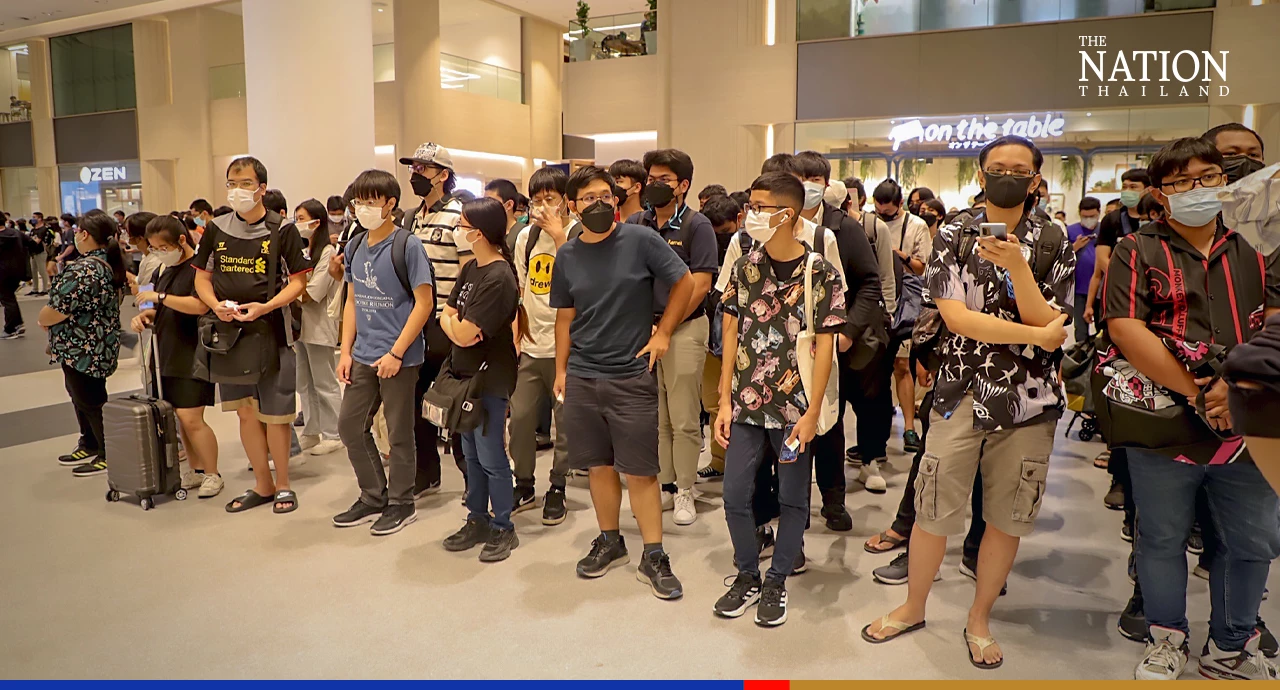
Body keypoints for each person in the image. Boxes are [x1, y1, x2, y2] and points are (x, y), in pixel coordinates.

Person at [861, 135, 1073, 671]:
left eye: (1019, 169)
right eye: (997, 167)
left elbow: (1055, 319)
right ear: (980, 176)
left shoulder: (1053, 238)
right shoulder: (953, 231)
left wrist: (1021, 269)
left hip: (1030, 403)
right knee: (934, 507)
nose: (1008, 175)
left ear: (1035, 179)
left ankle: (979, 618)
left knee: (1007, 515)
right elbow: (957, 319)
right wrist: (1034, 334)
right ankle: (913, 605)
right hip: (959, 392)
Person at [1106, 137, 1280, 681]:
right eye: (1181, 182)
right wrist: (1195, 389)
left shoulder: (1260, 245)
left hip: (1253, 417)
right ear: (1161, 193)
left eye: (1207, 177)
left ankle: (1232, 642)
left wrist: (1237, 385)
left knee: (1252, 539)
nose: (1196, 189)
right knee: (1160, 535)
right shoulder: (1137, 250)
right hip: (1165, 418)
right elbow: (1126, 326)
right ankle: (1166, 637)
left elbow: (1276, 315)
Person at [550, 165, 693, 598]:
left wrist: (664, 331)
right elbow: (565, 317)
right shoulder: (568, 254)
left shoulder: (641, 240)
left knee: (641, 471)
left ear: (616, 199)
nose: (599, 203)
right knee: (597, 464)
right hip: (582, 376)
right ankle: (610, 540)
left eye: (605, 196)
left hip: (631, 375)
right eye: (588, 198)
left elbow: (684, 282)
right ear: (573, 206)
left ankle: (654, 554)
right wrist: (561, 369)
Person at [712, 171, 847, 627]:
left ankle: (777, 580)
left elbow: (825, 344)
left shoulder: (820, 271)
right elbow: (731, 329)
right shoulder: (746, 264)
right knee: (734, 494)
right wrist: (724, 399)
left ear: (787, 214)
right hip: (747, 406)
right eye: (750, 205)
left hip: (794, 410)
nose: (751, 214)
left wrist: (811, 412)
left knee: (792, 499)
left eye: (760, 207)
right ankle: (747, 574)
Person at [193, 156, 311, 514]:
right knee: (245, 413)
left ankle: (284, 486)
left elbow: (299, 282)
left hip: (273, 333)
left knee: (276, 415)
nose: (237, 190)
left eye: (245, 183)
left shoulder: (282, 229)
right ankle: (262, 483)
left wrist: (266, 307)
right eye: (232, 182)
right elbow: (201, 278)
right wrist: (215, 305)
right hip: (229, 335)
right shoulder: (217, 229)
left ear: (262, 188)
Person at [332, 170, 435, 537]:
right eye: (359, 201)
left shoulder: (408, 245)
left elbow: (424, 304)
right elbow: (353, 301)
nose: (363, 208)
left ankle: (402, 503)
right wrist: (345, 351)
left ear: (391, 204)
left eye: (371, 201)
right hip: (362, 353)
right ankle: (373, 494)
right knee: (349, 425)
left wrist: (396, 352)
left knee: (399, 432)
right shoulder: (355, 245)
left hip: (400, 357)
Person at [793, 150, 884, 530]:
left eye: (815, 179)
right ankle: (791, 504)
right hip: (787, 346)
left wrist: (846, 332)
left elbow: (869, 283)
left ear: (826, 184)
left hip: (831, 345)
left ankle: (833, 501)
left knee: (829, 423)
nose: (808, 186)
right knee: (792, 427)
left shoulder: (843, 228)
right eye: (800, 178)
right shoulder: (781, 225)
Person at [628, 148, 718, 525]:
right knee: (656, 417)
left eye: (663, 179)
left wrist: (666, 325)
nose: (654, 185)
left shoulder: (697, 226)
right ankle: (665, 485)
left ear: (682, 185)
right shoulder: (636, 222)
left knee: (682, 417)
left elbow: (700, 284)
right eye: (650, 178)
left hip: (684, 327)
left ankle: (685, 489)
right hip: (642, 331)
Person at [440, 197, 526, 561]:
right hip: (464, 374)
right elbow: (449, 316)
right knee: (470, 454)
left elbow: (465, 330)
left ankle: (503, 526)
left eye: (462, 225)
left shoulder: (499, 276)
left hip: (490, 379)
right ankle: (477, 517)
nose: (458, 230)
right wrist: (453, 325)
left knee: (491, 456)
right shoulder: (472, 268)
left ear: (479, 231)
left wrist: (454, 326)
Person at [130, 215, 222, 498]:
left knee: (191, 417)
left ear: (181, 240)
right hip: (166, 351)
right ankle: (194, 470)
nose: (158, 253)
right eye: (154, 248)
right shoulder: (163, 271)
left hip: (192, 352)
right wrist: (147, 315)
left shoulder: (199, 269)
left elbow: (199, 305)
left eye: (162, 247)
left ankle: (212, 473)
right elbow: (164, 308)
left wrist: (159, 299)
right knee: (179, 419)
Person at [510, 167, 580, 524]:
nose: (542, 207)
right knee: (520, 417)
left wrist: (558, 237)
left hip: (569, 349)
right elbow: (522, 291)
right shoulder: (525, 237)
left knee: (565, 424)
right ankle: (523, 482)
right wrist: (517, 335)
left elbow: (580, 283)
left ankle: (558, 486)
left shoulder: (579, 234)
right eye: (536, 200)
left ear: (567, 201)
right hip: (532, 344)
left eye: (550, 199)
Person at [400, 142, 470, 496]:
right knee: (414, 401)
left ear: (443, 175)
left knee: (454, 404)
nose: (416, 175)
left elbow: (469, 271)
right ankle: (426, 472)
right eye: (413, 169)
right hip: (415, 322)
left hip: (447, 321)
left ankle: (474, 481)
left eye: (423, 170)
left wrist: (459, 319)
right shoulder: (410, 217)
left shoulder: (460, 213)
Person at [40, 210, 128, 476]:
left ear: (85, 234)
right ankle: (89, 442)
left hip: (83, 347)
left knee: (90, 400)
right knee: (80, 396)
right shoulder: (108, 263)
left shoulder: (85, 269)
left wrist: (45, 318)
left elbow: (58, 307)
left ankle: (106, 451)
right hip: (94, 344)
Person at [860, 179, 929, 487]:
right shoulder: (869, 223)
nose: (882, 212)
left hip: (905, 306)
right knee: (876, 375)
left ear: (900, 204)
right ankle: (875, 443)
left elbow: (922, 267)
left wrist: (897, 253)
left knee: (902, 366)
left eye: (887, 208)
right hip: (875, 307)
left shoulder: (916, 226)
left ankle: (909, 427)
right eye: (878, 207)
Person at [292, 198, 343, 456]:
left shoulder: (327, 253)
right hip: (300, 326)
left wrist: (287, 292)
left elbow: (313, 293)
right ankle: (312, 430)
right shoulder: (303, 252)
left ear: (317, 221)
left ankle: (334, 433)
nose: (297, 224)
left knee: (324, 382)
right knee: (305, 382)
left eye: (301, 218)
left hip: (320, 324)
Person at [1067, 196, 1102, 344]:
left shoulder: (1105, 229)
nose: (1088, 220)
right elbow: (1061, 258)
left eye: (1092, 216)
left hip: (1101, 288)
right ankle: (1081, 359)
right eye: (1085, 216)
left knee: (1103, 327)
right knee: (1080, 329)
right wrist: (1074, 248)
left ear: (1099, 213)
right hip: (1078, 288)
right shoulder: (1070, 230)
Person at [0, 212, 30, 339]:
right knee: (10, 298)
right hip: (17, 271)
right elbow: (32, 243)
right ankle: (18, 324)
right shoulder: (16, 233)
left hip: (2, 272)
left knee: (7, 299)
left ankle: (10, 328)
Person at [484, 178, 525, 252]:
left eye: (492, 202)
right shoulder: (487, 234)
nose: (486, 207)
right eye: (485, 202)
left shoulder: (523, 233)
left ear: (509, 205)